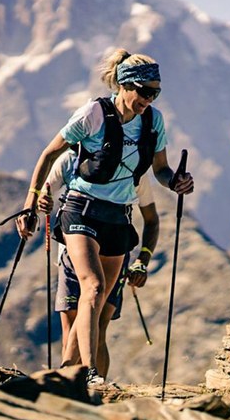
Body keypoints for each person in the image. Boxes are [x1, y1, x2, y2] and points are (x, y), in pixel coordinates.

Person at [16, 48, 193, 386]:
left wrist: (178, 183)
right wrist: (31, 202)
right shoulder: (94, 114)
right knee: (93, 288)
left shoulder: (153, 121)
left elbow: (161, 170)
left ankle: (63, 374)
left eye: (155, 92)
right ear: (124, 85)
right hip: (81, 209)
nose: (148, 99)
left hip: (119, 218)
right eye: (143, 91)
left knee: (97, 311)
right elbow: (49, 154)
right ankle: (90, 374)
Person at [38, 149, 159, 379]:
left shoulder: (133, 165)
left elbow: (152, 219)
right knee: (72, 323)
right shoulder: (70, 159)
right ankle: (72, 386)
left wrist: (142, 260)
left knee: (99, 324)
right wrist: (39, 203)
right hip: (71, 253)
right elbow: (43, 195)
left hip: (114, 248)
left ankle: (92, 389)